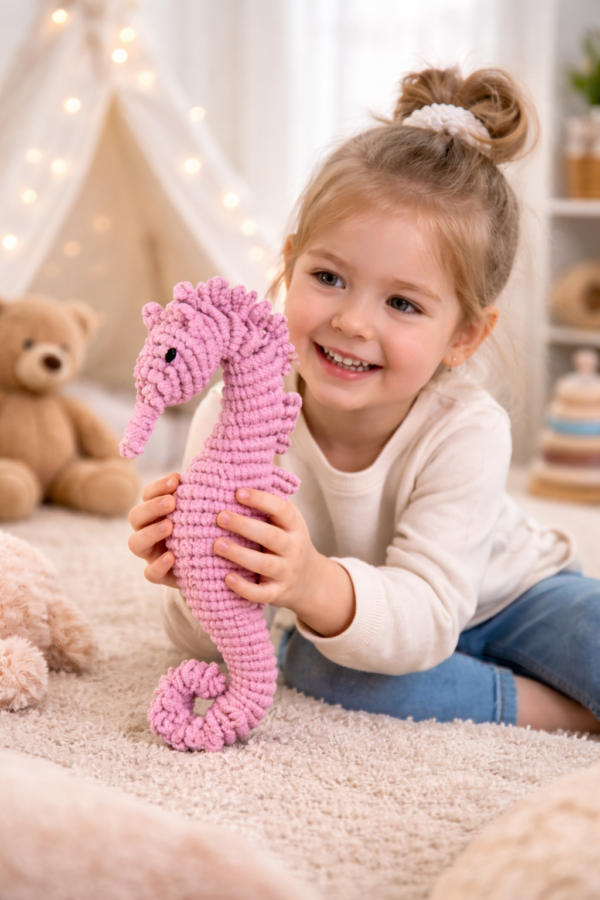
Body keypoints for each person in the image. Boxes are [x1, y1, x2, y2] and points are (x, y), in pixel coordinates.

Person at [128, 66, 600, 734]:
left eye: (402, 303)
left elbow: (431, 612)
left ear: (464, 335)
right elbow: (212, 642)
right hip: (369, 622)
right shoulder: (233, 419)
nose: (353, 322)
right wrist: (191, 573)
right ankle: (558, 710)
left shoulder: (467, 428)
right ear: (289, 265)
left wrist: (313, 583)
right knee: (317, 667)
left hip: (515, 596)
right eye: (329, 277)